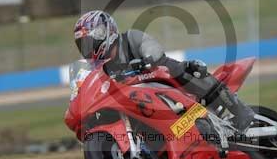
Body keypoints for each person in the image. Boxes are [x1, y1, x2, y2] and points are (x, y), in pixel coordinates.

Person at [73, 10, 255, 132]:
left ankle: (239, 110)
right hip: (137, 99)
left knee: (183, 70)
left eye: (90, 40)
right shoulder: (98, 69)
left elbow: (152, 48)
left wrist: (147, 60)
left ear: (104, 32)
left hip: (158, 76)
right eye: (83, 44)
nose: (88, 47)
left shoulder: (130, 38)